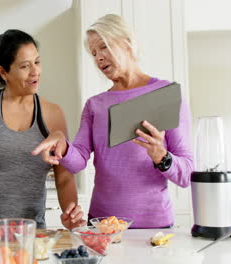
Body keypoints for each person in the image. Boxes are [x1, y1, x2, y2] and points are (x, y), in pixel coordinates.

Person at [32, 14, 194, 228]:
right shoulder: (95, 105)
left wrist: (161, 157)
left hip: (153, 227)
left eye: (104, 47)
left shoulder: (166, 95)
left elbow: (187, 174)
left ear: (127, 43)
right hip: (102, 226)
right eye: (94, 53)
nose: (98, 58)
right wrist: (61, 143)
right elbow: (78, 160)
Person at [0, 29, 86, 229]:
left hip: (28, 235)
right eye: (24, 66)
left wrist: (70, 212)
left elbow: (63, 177)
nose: (35, 71)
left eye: (37, 62)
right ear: (3, 72)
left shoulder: (53, 114)